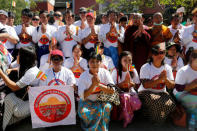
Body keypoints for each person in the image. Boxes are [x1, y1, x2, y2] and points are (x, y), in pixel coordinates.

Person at [0, 46, 42, 130]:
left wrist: (1, 72)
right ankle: (6, 124)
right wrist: (12, 70)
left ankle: (5, 125)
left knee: (9, 98)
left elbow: (14, 87)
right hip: (25, 99)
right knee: (8, 99)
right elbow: (14, 67)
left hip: (36, 104)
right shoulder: (28, 65)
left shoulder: (33, 72)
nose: (16, 56)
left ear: (24, 58)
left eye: (19, 54)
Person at [138, 42, 176, 123]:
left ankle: (155, 119)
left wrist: (166, 79)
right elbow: (145, 85)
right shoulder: (146, 67)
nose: (159, 55)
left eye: (162, 52)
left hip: (161, 93)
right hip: (145, 92)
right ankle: (153, 120)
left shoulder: (167, 67)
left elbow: (171, 86)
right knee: (156, 102)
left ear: (164, 54)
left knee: (171, 104)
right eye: (156, 53)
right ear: (152, 55)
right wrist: (159, 79)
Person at [78, 52, 114, 131]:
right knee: (84, 112)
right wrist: (93, 85)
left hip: (102, 100)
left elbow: (112, 90)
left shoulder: (105, 73)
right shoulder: (83, 76)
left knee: (107, 107)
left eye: (97, 61)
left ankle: (103, 128)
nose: (94, 64)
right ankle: (90, 128)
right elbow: (82, 96)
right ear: (88, 63)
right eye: (92, 61)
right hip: (87, 101)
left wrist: (99, 85)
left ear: (100, 62)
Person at [111, 51, 141, 127]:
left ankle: (123, 114)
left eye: (129, 60)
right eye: (125, 60)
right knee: (125, 97)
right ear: (120, 61)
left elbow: (137, 84)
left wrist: (131, 84)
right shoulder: (116, 71)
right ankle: (127, 118)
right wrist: (123, 83)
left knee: (137, 104)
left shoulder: (132, 69)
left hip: (131, 92)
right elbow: (112, 87)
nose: (128, 62)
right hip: (119, 94)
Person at [174, 49, 197, 119]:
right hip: (181, 93)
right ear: (192, 59)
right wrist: (192, 85)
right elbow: (178, 88)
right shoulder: (184, 71)